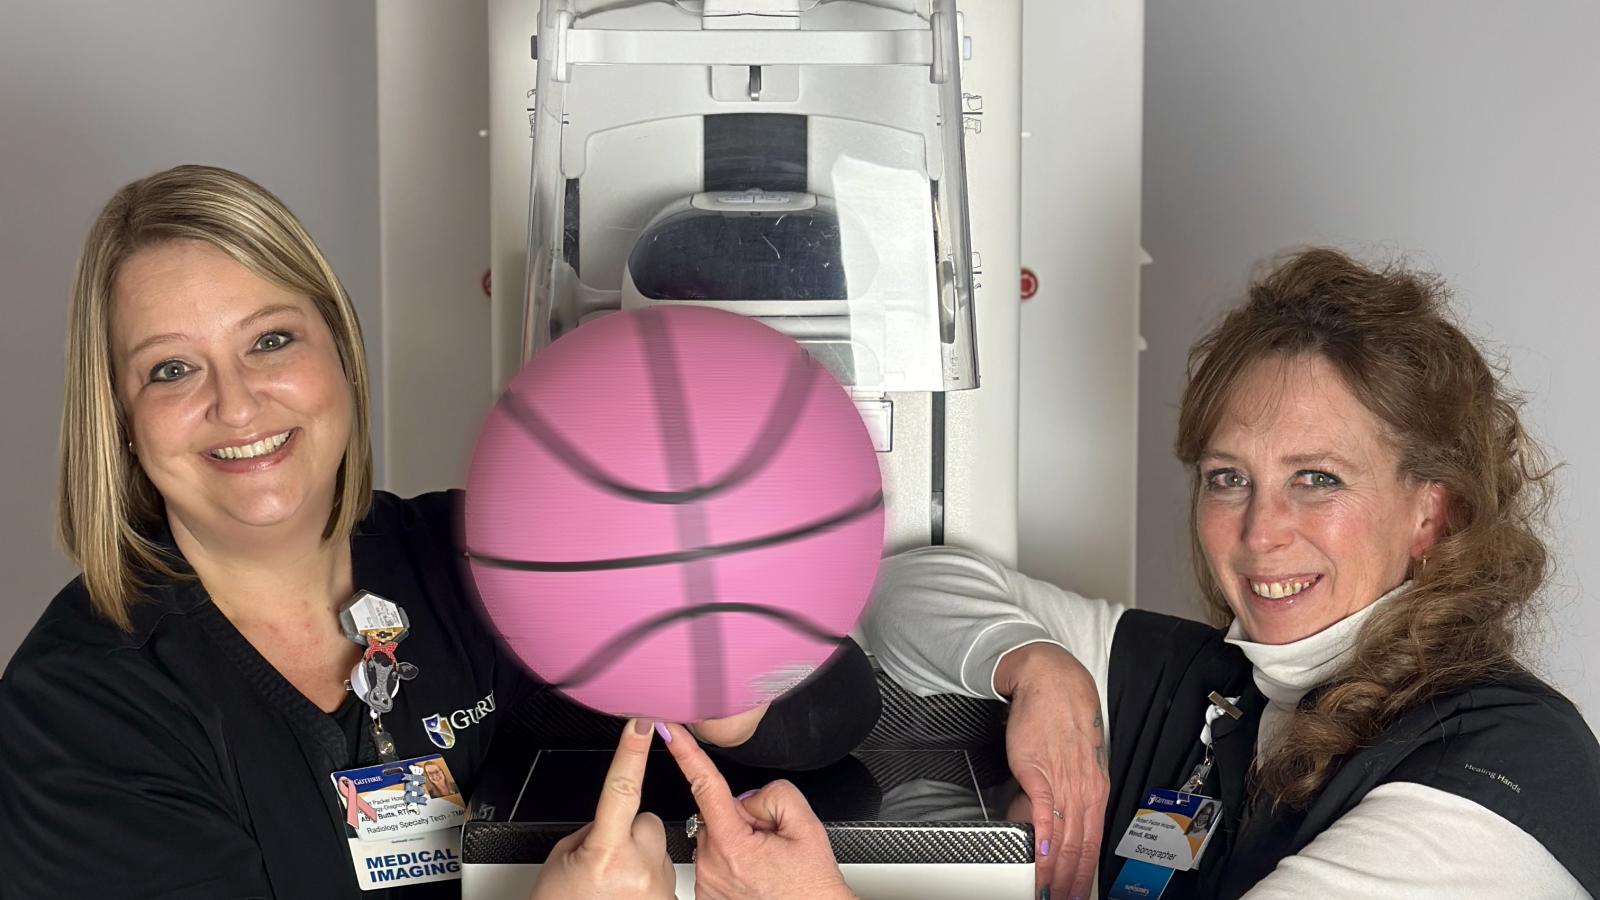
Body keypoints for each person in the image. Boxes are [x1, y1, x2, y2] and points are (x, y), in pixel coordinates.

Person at [0, 164, 879, 899]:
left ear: (339, 352)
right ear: (119, 418)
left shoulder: (466, 551)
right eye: (171, 368)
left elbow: (835, 706)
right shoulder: (78, 708)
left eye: (270, 341)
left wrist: (714, 671)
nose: (236, 404)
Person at [857, 249, 1600, 899]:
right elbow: (903, 589)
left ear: (1432, 514)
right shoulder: (1218, 684)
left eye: (1317, 478)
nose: (1259, 530)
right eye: (1228, 478)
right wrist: (1034, 665)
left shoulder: (1501, 759)